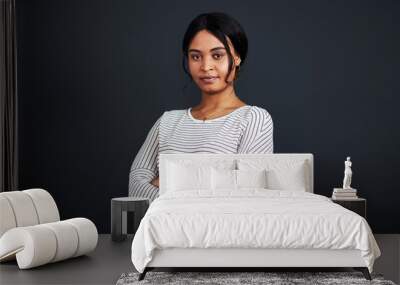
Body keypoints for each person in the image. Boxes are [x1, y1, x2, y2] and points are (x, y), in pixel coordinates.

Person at [129, 12, 274, 202]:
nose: (206, 66)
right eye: (196, 57)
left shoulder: (254, 119)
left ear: (237, 58)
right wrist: (213, 180)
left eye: (217, 55)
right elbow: (135, 188)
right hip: (162, 232)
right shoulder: (167, 122)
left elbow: (245, 194)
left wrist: (168, 182)